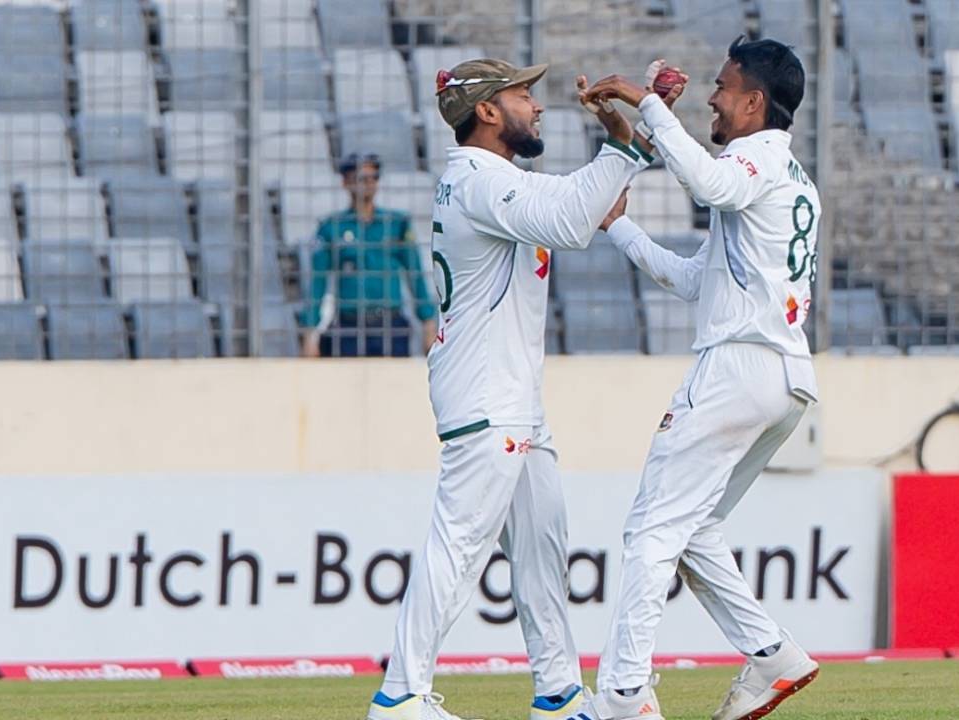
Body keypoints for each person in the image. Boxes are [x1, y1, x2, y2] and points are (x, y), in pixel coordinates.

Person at [366, 58, 651, 720]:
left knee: (541, 546)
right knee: (459, 546)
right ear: (487, 112)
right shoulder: (478, 182)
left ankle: (557, 695)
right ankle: (399, 697)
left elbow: (577, 204)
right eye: (524, 94)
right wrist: (624, 139)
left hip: (514, 396)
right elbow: (576, 218)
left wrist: (621, 141)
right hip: (484, 395)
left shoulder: (494, 179)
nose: (538, 105)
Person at [578, 38, 822, 720]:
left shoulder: (753, 159)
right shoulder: (791, 178)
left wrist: (647, 101)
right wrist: (622, 230)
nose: (712, 97)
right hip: (784, 379)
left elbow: (709, 181)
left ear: (754, 103)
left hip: (738, 368)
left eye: (722, 86)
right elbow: (696, 280)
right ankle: (771, 652)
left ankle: (624, 694)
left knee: (652, 529)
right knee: (692, 529)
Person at [301, 153, 437, 358]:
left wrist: (428, 323)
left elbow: (414, 274)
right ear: (346, 182)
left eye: (374, 178)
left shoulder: (396, 224)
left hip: (390, 324)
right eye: (362, 178)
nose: (369, 184)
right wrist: (310, 334)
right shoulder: (331, 228)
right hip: (349, 325)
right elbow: (318, 283)